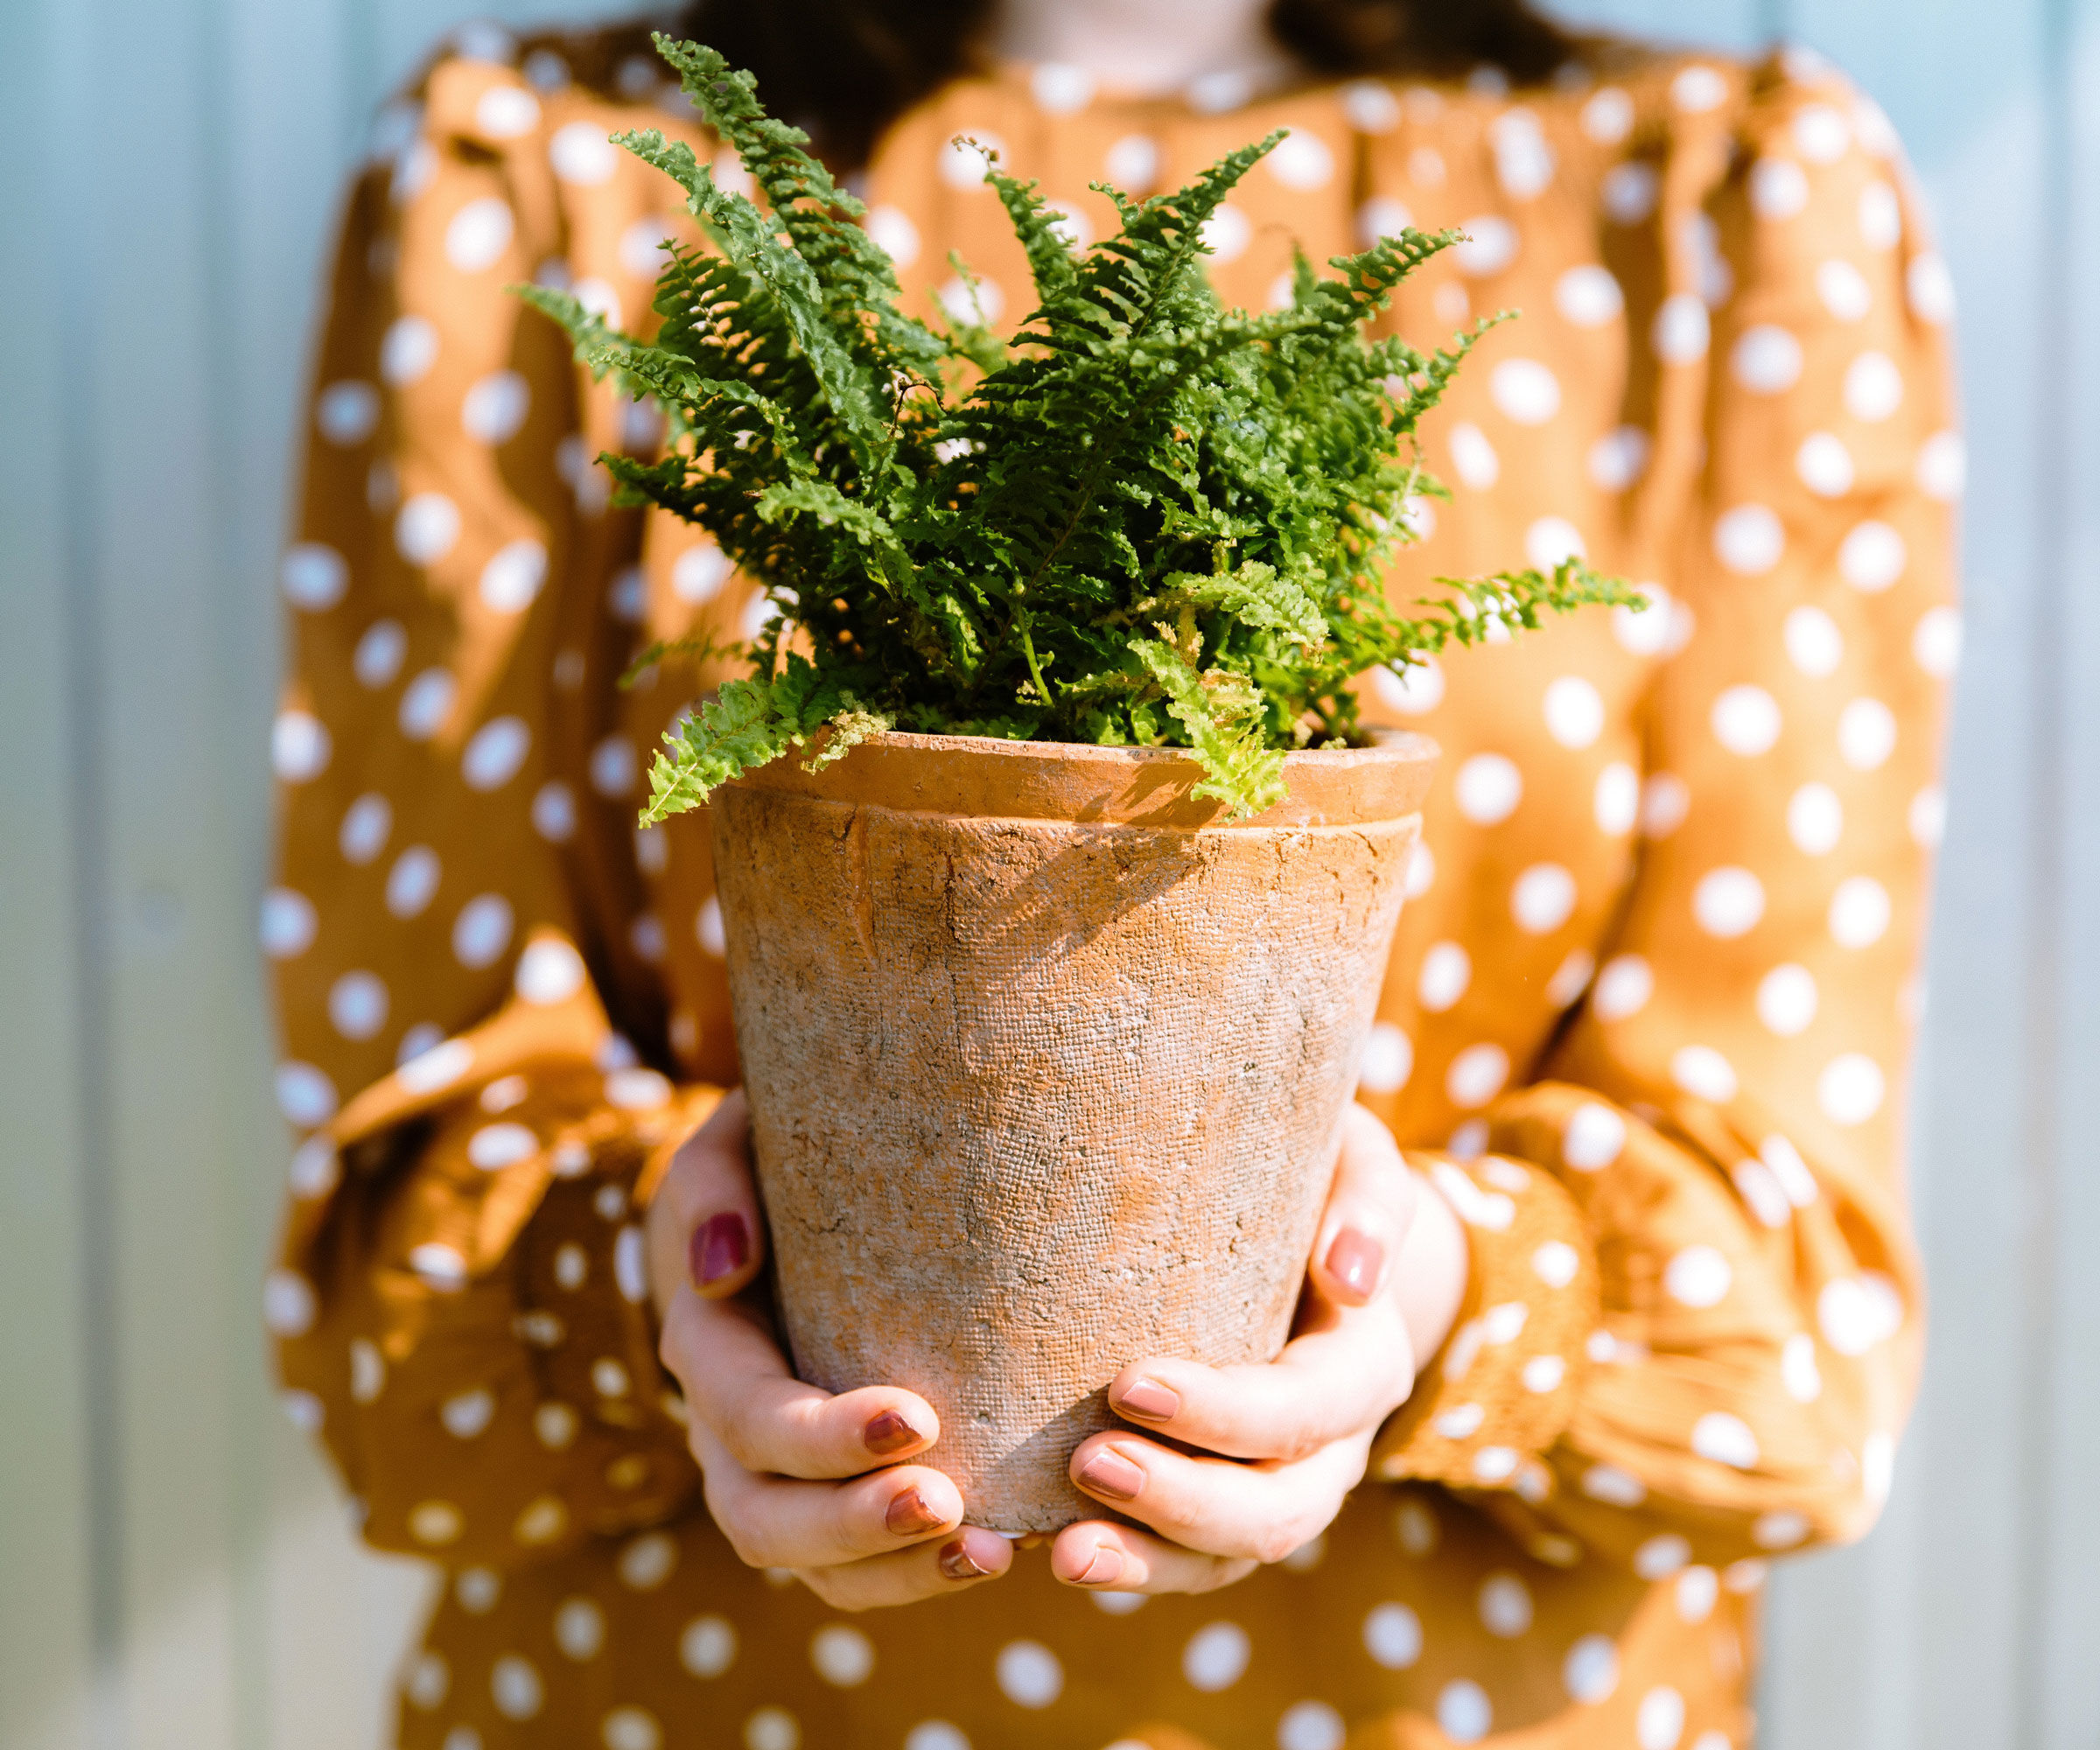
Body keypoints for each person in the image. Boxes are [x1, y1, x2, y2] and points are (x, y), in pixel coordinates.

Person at [263, 0, 1956, 1741]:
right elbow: (386, 1357)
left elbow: (1802, 1335)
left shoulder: (1717, 206)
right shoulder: (554, 174)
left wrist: (1443, 1294)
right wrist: (668, 1279)